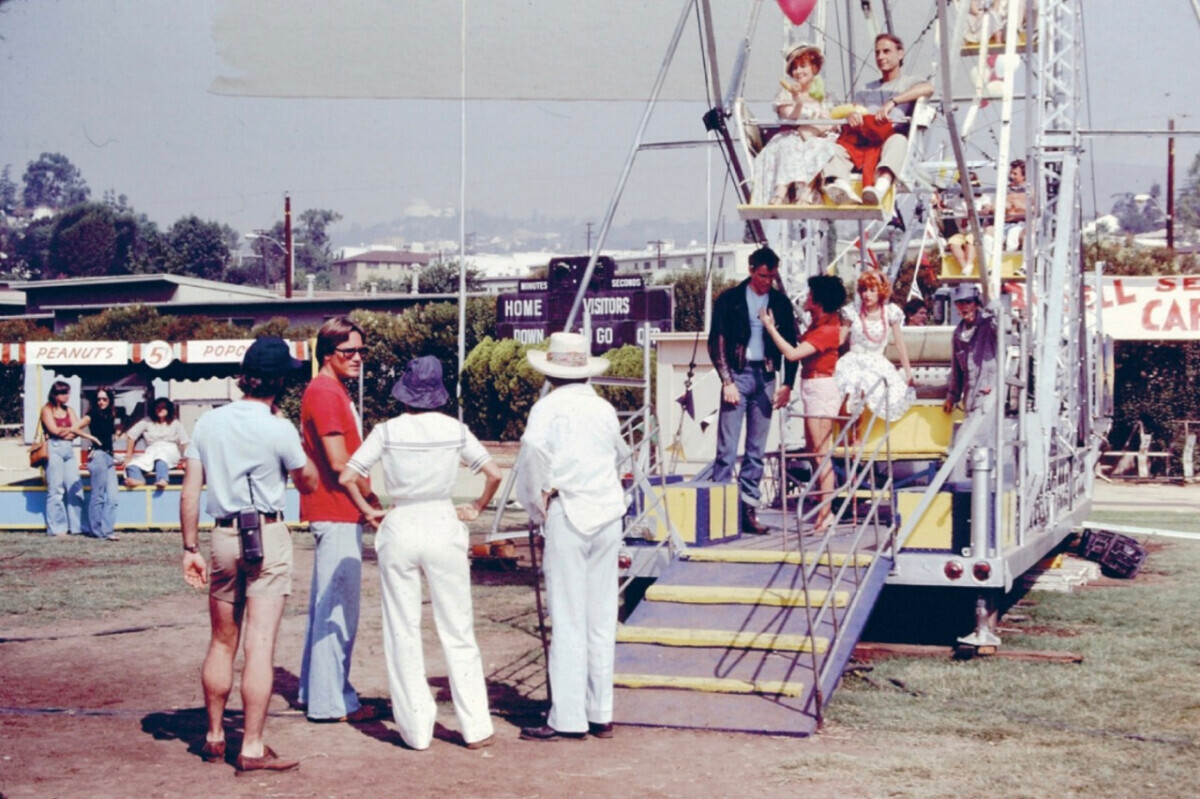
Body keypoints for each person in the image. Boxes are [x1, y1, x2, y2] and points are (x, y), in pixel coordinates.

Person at [340, 355, 501, 751]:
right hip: (443, 522)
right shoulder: (455, 429)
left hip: (402, 523)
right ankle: (476, 726)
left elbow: (347, 474)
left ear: (405, 392)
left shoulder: (387, 431)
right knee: (458, 628)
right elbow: (493, 473)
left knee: (403, 629)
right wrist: (477, 507)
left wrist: (368, 512)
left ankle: (415, 731)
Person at [179, 337, 318, 774]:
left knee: (222, 640)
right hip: (267, 534)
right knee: (259, 644)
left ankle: (215, 736)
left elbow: (190, 490)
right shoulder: (279, 427)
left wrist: (189, 548)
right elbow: (309, 482)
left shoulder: (208, 423)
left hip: (221, 536)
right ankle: (252, 746)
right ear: (278, 381)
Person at [515, 332, 630, 742]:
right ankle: (600, 712)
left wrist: (535, 503)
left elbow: (531, 452)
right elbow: (622, 454)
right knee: (600, 616)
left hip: (569, 511)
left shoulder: (547, 409)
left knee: (567, 617)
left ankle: (567, 718)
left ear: (551, 370)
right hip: (607, 512)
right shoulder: (603, 408)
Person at [297, 317, 379, 725]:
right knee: (336, 612)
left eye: (362, 351)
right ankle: (331, 702)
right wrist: (367, 505)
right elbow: (337, 462)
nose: (358, 358)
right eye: (349, 352)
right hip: (336, 510)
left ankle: (317, 692)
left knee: (327, 607)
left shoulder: (330, 388)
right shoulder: (327, 392)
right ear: (328, 354)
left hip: (337, 509)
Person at [707, 246, 798, 535]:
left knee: (756, 450)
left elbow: (792, 343)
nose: (766, 281)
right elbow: (717, 340)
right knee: (727, 448)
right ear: (750, 270)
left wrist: (787, 383)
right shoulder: (730, 300)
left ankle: (748, 509)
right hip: (737, 374)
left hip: (766, 376)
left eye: (771, 276)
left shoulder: (781, 303)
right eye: (762, 276)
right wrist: (727, 380)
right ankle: (718, 511)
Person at [760, 275, 847, 533]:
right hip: (812, 387)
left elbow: (793, 353)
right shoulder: (820, 325)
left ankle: (826, 513)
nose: (807, 299)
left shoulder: (828, 330)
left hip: (821, 389)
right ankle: (823, 509)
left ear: (818, 300)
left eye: (810, 295)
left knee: (821, 455)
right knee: (815, 454)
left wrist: (770, 327)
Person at [823, 33, 934, 206]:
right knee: (835, 149)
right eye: (877, 53)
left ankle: (879, 189)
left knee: (898, 141)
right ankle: (842, 186)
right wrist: (851, 116)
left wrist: (893, 101)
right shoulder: (866, 90)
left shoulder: (910, 82)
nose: (881, 57)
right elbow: (854, 109)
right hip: (863, 141)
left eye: (886, 51)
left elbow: (927, 88)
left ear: (900, 53)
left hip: (888, 140)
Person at [752, 43, 840, 205]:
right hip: (791, 135)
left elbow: (833, 120)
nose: (798, 71)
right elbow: (789, 115)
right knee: (791, 145)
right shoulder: (786, 93)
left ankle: (807, 192)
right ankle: (780, 193)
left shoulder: (826, 96)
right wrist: (798, 102)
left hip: (816, 137)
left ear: (814, 67)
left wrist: (826, 121)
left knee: (821, 146)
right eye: (795, 68)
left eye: (803, 66)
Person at [833, 269, 915, 422]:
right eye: (864, 290)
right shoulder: (852, 312)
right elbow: (839, 340)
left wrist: (908, 372)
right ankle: (850, 431)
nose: (867, 294)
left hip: (877, 362)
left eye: (872, 290)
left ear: (881, 292)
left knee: (872, 385)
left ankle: (859, 430)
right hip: (853, 361)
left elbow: (899, 344)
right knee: (851, 386)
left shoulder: (890, 312)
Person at [40, 381, 87, 536]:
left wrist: (66, 431)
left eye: (68, 392)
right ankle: (57, 528)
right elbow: (54, 430)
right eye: (63, 393)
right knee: (56, 489)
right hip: (54, 448)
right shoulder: (46, 410)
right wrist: (69, 431)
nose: (67, 396)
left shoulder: (69, 410)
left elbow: (77, 429)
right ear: (55, 394)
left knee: (75, 486)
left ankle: (78, 526)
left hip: (68, 449)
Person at [943, 283, 998, 416]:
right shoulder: (958, 334)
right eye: (960, 303)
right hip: (970, 397)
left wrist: (992, 301)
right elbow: (957, 371)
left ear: (976, 303)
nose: (964, 306)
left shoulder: (989, 325)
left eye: (968, 302)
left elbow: (1003, 325)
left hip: (990, 392)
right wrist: (952, 397)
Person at [79, 387, 121, 541]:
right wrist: (92, 439)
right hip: (98, 456)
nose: (101, 402)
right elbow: (75, 428)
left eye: (104, 399)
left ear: (109, 400)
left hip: (108, 456)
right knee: (98, 496)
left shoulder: (110, 414)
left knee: (113, 497)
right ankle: (98, 531)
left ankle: (107, 530)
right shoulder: (93, 414)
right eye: (99, 399)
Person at [124, 398, 188, 489]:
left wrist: (187, 460)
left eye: (163, 407)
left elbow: (184, 442)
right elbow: (131, 435)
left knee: (161, 458)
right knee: (131, 465)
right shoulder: (147, 421)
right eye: (158, 407)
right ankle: (139, 480)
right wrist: (128, 456)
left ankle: (162, 479)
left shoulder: (175, 423)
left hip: (169, 451)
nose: (160, 409)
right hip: (151, 451)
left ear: (168, 409)